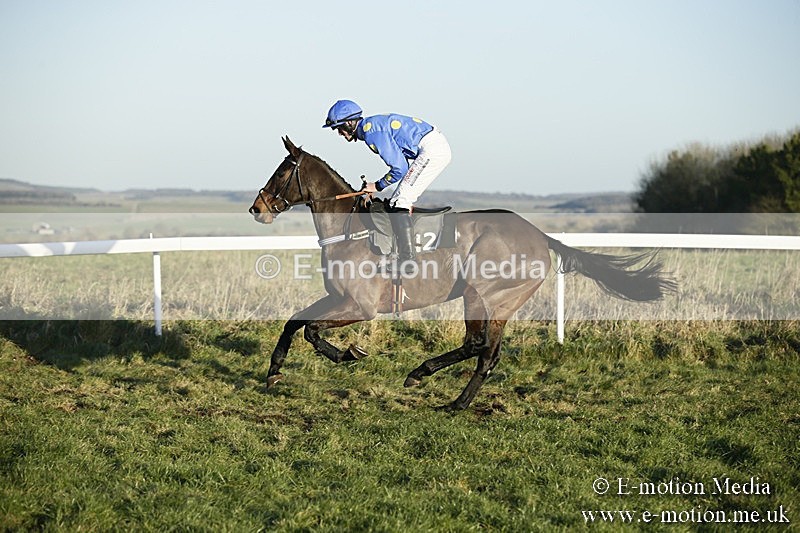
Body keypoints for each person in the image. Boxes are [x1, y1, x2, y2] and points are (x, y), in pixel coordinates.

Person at [323, 99, 452, 272]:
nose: (339, 133)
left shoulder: (372, 133)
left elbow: (400, 168)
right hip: (433, 145)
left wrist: (377, 185)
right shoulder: (371, 127)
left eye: (339, 128)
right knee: (396, 201)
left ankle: (407, 261)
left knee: (401, 201)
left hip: (432, 150)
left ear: (350, 123)